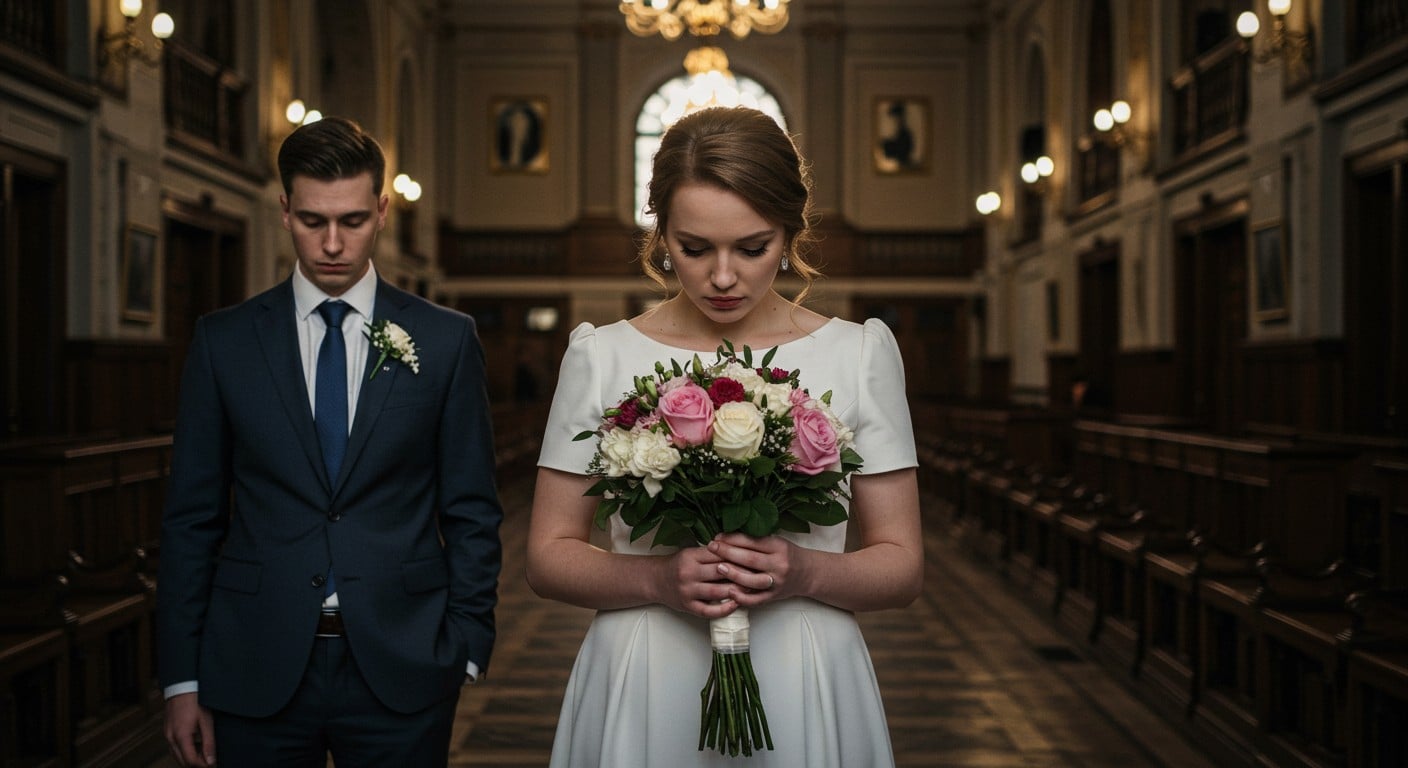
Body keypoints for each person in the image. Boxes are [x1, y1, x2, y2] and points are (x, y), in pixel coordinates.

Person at [527, 106, 924, 767]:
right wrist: (656, 583)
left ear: (791, 232)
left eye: (751, 247)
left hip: (803, 661)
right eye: (693, 247)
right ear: (659, 234)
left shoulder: (860, 355)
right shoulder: (601, 356)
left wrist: (802, 572)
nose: (721, 276)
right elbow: (548, 554)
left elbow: (903, 566)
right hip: (648, 661)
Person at [157, 116, 503, 767]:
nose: (334, 244)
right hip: (252, 659)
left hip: (405, 659)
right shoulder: (223, 341)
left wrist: (468, 643)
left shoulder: (446, 339)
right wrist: (181, 677)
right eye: (313, 221)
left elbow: (473, 509)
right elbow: (191, 520)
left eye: (353, 220)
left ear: (382, 209)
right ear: (284, 209)